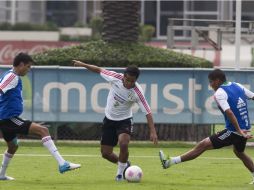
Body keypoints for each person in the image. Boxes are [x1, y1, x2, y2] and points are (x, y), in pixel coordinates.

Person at [159, 69, 254, 184]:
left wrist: (239, 130)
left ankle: (169, 162)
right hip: (244, 130)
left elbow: (229, 112)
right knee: (239, 152)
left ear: (217, 81)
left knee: (203, 145)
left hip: (235, 131)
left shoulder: (220, 92)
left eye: (211, 82)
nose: (210, 85)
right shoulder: (237, 85)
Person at [73, 60, 158, 181]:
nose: (129, 83)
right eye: (127, 79)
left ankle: (119, 174)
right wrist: (83, 65)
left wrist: (153, 131)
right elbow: (98, 69)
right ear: (123, 76)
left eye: (132, 81)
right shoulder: (115, 77)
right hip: (109, 120)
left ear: (136, 80)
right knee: (106, 153)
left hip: (125, 120)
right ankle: (125, 164)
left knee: (123, 143)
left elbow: (148, 112)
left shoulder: (138, 93)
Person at [0, 53, 81, 180]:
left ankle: (1, 175)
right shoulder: (12, 76)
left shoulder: (10, 75)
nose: (28, 70)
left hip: (6, 118)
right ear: (20, 64)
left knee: (13, 146)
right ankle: (62, 164)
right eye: (28, 67)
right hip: (8, 118)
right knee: (43, 130)